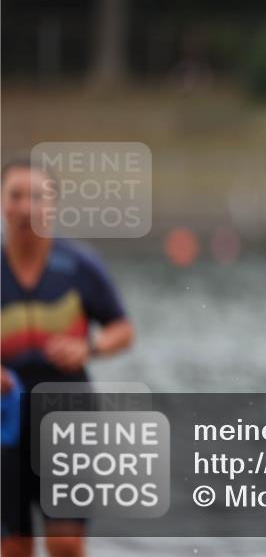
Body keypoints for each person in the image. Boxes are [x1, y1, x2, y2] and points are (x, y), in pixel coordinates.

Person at [1, 157, 135, 557]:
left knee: (65, 543)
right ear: (3, 204)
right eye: (16, 196)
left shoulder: (79, 266)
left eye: (38, 197)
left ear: (53, 206)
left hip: (67, 409)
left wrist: (89, 347)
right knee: (13, 547)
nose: (27, 207)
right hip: (5, 413)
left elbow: (122, 329)